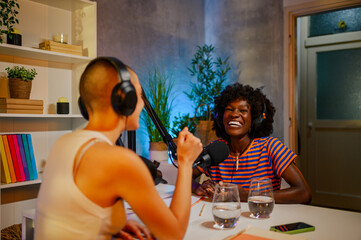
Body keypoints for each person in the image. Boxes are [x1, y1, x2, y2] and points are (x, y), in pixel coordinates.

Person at [34, 57, 203, 240]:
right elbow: (173, 234)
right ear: (126, 99)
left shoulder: (64, 143)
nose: (142, 105)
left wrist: (110, 223)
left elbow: (73, 210)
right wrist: (186, 162)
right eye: (139, 96)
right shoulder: (119, 160)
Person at [192, 83, 312, 204]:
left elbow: (304, 193)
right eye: (229, 109)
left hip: (262, 218)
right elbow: (186, 176)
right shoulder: (217, 149)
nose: (234, 114)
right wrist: (197, 188)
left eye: (243, 110)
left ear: (255, 119)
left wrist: (246, 195)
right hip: (225, 218)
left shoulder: (271, 147)